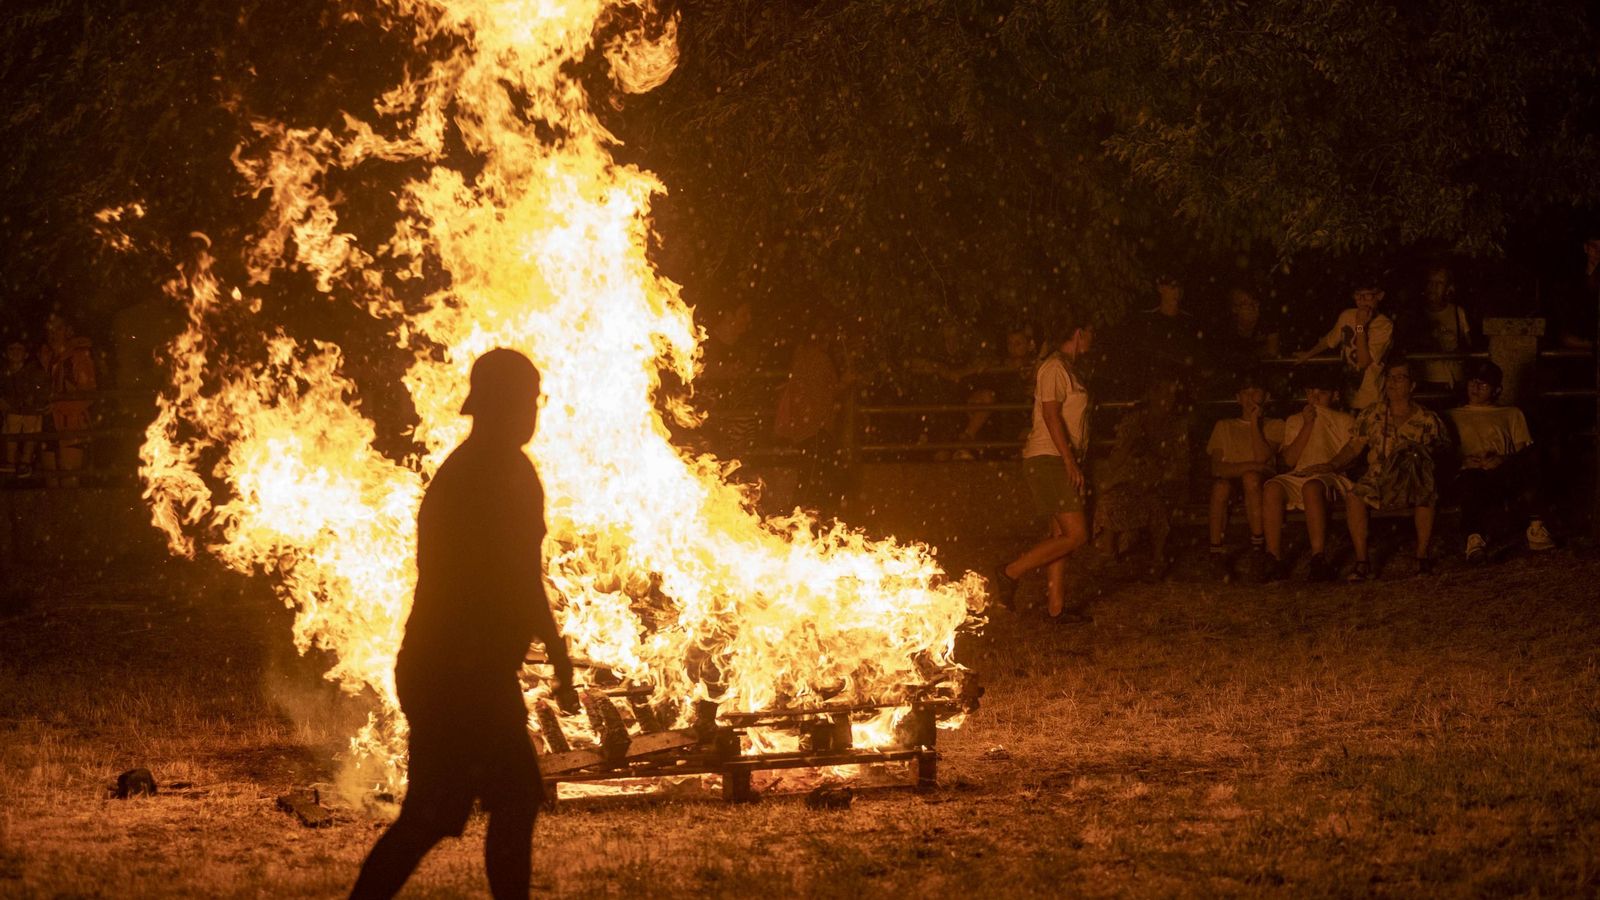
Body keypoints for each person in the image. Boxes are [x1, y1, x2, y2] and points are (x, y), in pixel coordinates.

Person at [351, 348, 579, 900]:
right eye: (527, 400)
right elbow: (521, 576)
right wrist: (557, 654)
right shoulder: (495, 473)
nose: (533, 412)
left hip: (455, 670)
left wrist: (545, 652)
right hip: (457, 674)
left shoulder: (483, 468)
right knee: (465, 808)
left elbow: (520, 576)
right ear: (500, 404)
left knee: (474, 806)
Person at [989, 315, 1094, 623]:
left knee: (1060, 532)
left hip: (1058, 458)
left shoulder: (1068, 369)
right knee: (1077, 535)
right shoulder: (1054, 368)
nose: (1092, 339)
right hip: (1048, 458)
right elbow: (1050, 416)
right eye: (1090, 333)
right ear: (1077, 333)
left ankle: (1056, 609)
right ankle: (1009, 573)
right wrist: (1068, 461)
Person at [1336, 357, 1451, 579]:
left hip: (1412, 477)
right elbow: (1353, 447)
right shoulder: (1372, 413)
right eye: (1390, 377)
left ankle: (1422, 558)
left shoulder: (1428, 418)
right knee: (1354, 496)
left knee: (1427, 493)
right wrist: (1331, 464)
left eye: (1400, 378)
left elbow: (1442, 451)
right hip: (1378, 477)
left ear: (1412, 385)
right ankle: (1362, 562)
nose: (1393, 382)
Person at [1446, 360, 1553, 561]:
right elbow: (1444, 453)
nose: (1475, 388)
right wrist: (1464, 462)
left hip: (1503, 473)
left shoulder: (1511, 413)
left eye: (1483, 385)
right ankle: (1474, 538)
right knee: (1471, 480)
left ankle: (1536, 526)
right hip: (1470, 473)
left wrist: (1503, 459)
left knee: (1535, 454)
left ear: (1497, 390)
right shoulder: (1453, 415)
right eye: (1472, 382)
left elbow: (1524, 452)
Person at [1262, 369, 1358, 582]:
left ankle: (1318, 557)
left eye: (1322, 393)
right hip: (1299, 474)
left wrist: (1329, 467)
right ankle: (1273, 558)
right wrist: (1307, 424)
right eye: (1310, 393)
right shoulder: (1295, 420)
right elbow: (1289, 461)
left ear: (1334, 396)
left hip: (1330, 476)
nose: (1315, 398)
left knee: (1311, 488)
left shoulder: (1344, 420)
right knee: (1272, 487)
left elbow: (1351, 455)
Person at [1093, 373, 1191, 580]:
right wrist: (1130, 446)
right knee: (1110, 499)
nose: (1169, 398)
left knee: (1156, 502)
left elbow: (1181, 461)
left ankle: (1158, 559)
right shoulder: (1134, 421)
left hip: (1162, 480)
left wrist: (1159, 469)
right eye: (1163, 393)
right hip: (1130, 481)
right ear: (1151, 395)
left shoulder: (1177, 424)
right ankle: (1109, 554)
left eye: (1172, 394)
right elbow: (1115, 461)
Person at [1204, 371, 1285, 579]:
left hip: (1261, 485)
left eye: (1256, 392)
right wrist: (1252, 466)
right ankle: (1215, 554)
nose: (1250, 398)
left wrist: (1254, 423)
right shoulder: (1224, 426)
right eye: (1245, 393)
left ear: (1266, 397)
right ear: (1237, 398)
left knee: (1251, 478)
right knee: (1220, 487)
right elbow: (1217, 469)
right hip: (1232, 482)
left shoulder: (1274, 425)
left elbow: (1262, 458)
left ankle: (1258, 549)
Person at [1293, 276, 1393, 410]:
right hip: (1347, 399)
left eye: (1368, 296)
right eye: (1358, 296)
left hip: (1372, 401)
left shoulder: (1384, 325)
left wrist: (1360, 326)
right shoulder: (1347, 316)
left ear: (1380, 296)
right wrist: (1309, 354)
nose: (1362, 301)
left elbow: (1363, 361)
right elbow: (1330, 339)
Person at [38, 314, 97, 482]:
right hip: (48, 424)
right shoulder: (46, 358)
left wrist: (57, 406)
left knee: (69, 481)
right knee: (50, 482)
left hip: (72, 425)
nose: (53, 334)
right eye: (49, 329)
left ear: (68, 331)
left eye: (57, 329)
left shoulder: (78, 357)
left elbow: (88, 394)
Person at [1405, 264, 1472, 394]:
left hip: (1454, 380)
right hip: (1426, 381)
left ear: (1448, 288)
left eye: (1439, 283)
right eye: (1430, 282)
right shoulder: (1415, 314)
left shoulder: (1458, 312)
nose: (1433, 287)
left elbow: (1468, 344)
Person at [2, 339, 48, 476]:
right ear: (5, 353)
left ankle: (26, 462)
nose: (15, 352)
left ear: (26, 354)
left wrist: (34, 397)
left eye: (19, 349)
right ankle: (10, 461)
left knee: (30, 431)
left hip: (30, 411)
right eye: (11, 349)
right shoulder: (3, 373)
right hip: (12, 412)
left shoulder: (33, 371)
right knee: (11, 429)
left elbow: (41, 388)